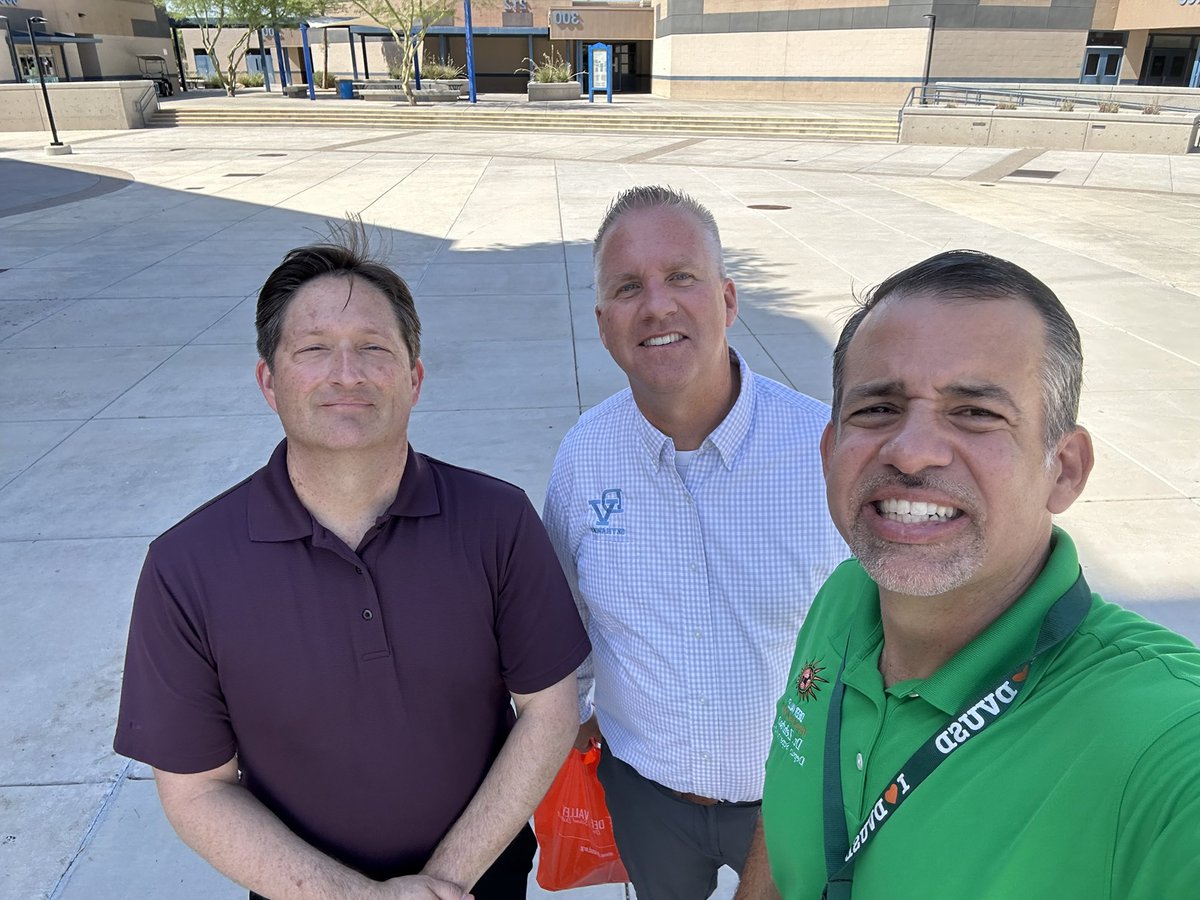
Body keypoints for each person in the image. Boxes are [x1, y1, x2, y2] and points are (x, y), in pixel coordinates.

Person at [113, 225, 591, 900]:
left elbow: (550, 710)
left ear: (414, 378)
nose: (347, 373)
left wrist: (444, 880)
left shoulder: (497, 520)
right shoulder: (186, 567)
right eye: (313, 350)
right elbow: (197, 792)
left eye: (373, 348)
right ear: (268, 381)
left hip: (481, 880)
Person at [736, 250, 1200, 900]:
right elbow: (791, 804)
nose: (912, 449)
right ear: (830, 451)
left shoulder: (1159, 741)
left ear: (1063, 469)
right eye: (876, 409)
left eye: (976, 412)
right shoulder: (845, 597)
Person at [542, 185, 848, 899]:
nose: (656, 305)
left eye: (682, 277)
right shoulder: (583, 458)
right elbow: (566, 623)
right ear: (602, 321)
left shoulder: (826, 452)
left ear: (729, 298)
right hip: (646, 798)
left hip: (796, 803)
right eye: (628, 287)